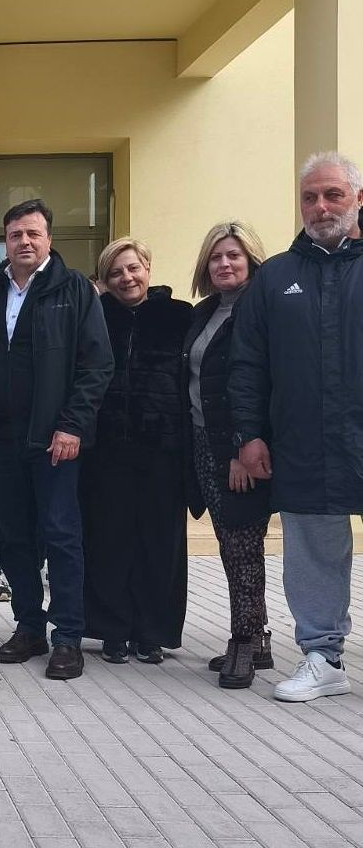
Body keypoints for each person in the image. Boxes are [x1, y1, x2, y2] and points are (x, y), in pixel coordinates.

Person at [230, 151, 363, 703]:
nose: (321, 206)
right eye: (310, 197)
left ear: (358, 199)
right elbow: (247, 362)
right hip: (304, 442)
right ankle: (323, 657)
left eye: (333, 194)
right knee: (312, 550)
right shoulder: (277, 277)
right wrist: (249, 434)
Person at [0, 199, 113, 681]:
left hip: (55, 440)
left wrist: (73, 424)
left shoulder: (73, 289)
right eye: (15, 235)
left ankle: (68, 636)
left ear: (49, 239)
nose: (24, 242)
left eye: (33, 234)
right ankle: (29, 626)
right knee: (15, 538)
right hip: (2, 438)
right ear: (5, 242)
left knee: (61, 536)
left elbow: (97, 365)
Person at [81, 238, 192, 666]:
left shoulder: (179, 315)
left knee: (160, 543)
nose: (126, 278)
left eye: (132, 268)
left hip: (163, 448)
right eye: (115, 272)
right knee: (108, 540)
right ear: (104, 280)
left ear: (147, 267)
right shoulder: (94, 316)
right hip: (106, 449)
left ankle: (152, 632)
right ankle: (112, 629)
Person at [184, 222, 273, 690]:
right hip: (204, 441)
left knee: (242, 546)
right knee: (230, 543)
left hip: (239, 448)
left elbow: (259, 383)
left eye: (234, 255)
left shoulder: (260, 310)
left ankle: (243, 642)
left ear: (251, 261)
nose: (224, 264)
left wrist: (243, 446)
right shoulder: (205, 312)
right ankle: (258, 638)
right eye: (216, 257)